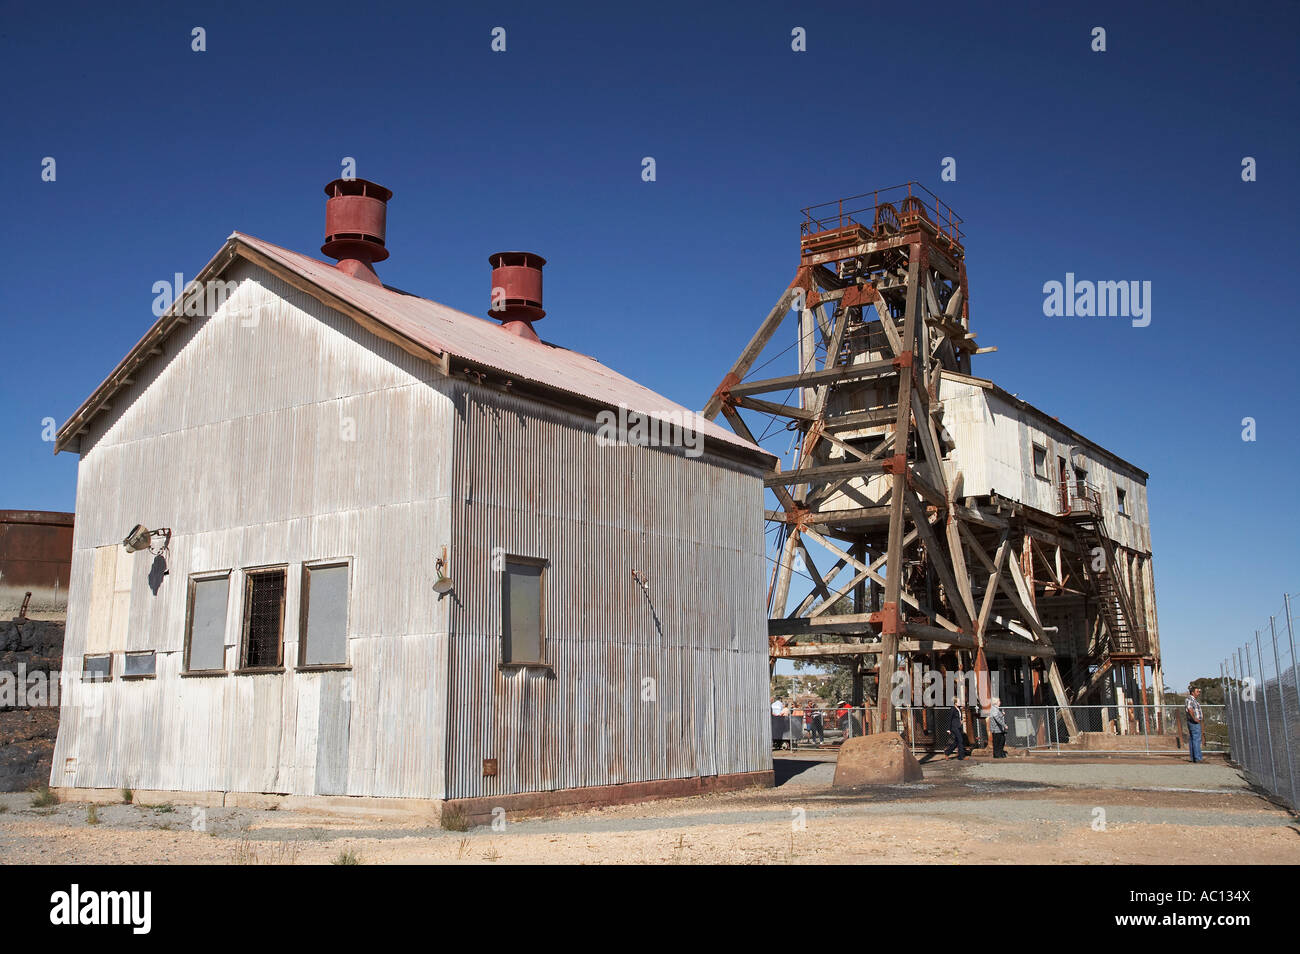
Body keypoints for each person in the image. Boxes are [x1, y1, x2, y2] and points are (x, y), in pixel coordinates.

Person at [1186, 686, 1204, 763]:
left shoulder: (1194, 700)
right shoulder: (1189, 699)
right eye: (1197, 691)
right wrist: (1194, 718)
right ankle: (1198, 758)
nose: (1198, 693)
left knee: (1193, 739)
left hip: (1194, 722)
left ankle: (1194, 757)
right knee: (1196, 739)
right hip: (1194, 722)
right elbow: (1190, 709)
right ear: (1192, 692)